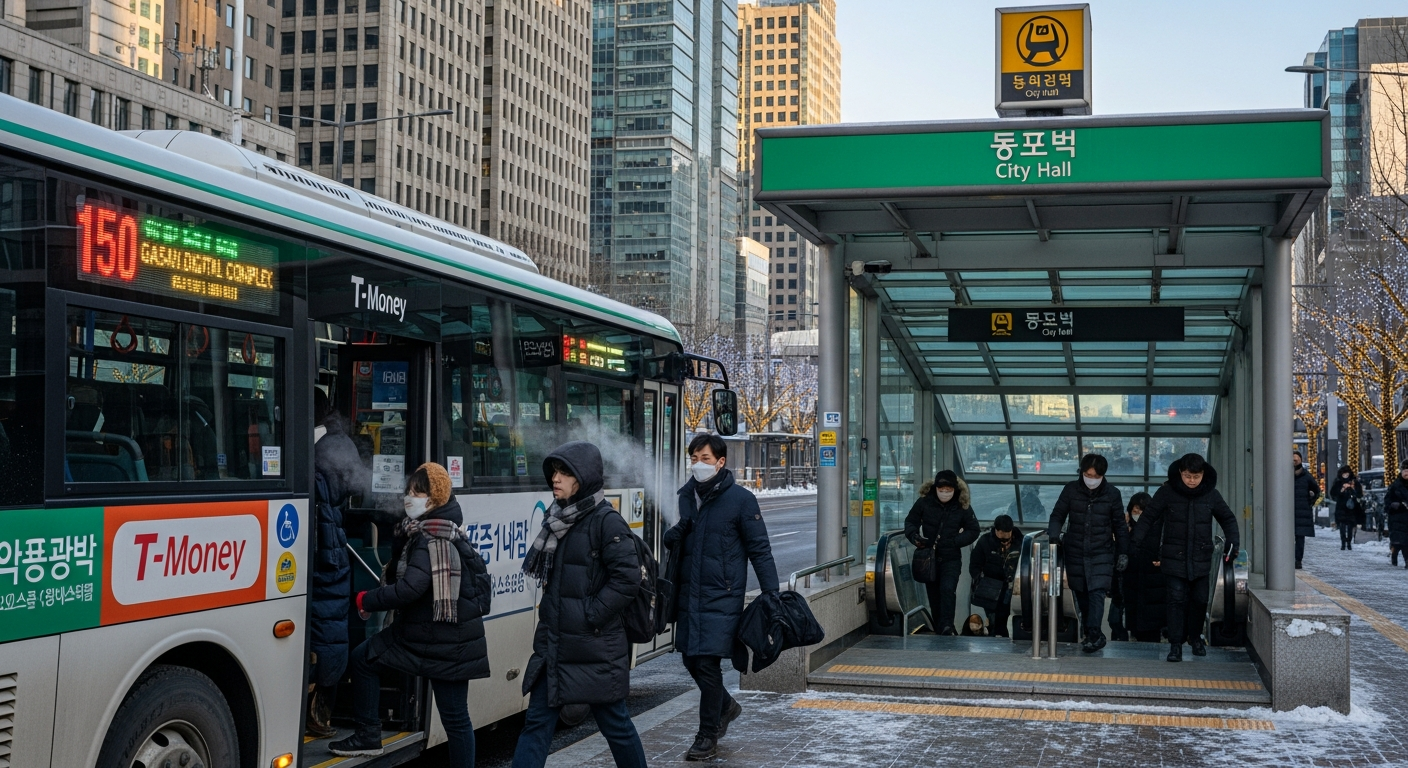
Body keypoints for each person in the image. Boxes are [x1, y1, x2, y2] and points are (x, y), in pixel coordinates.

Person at [330, 463, 491, 764]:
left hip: (437, 638)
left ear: (435, 498)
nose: (409, 498)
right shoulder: (442, 530)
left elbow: (409, 589)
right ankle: (368, 734)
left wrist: (366, 599)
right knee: (457, 719)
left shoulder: (431, 538)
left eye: (418, 492)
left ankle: (368, 735)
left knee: (365, 660)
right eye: (408, 491)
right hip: (440, 636)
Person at [511, 442, 647, 768]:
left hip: (594, 646)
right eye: (554, 472)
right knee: (536, 725)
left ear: (583, 478)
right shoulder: (558, 520)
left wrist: (590, 614)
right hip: (555, 647)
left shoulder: (606, 522)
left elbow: (628, 579)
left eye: (565, 473)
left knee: (615, 726)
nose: (555, 479)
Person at [663, 434, 778, 762]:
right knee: (689, 658)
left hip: (721, 595)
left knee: (706, 662)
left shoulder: (741, 500)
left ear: (721, 462)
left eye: (704, 458)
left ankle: (707, 735)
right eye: (694, 457)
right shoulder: (687, 496)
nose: (697, 464)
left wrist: (772, 594)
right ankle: (726, 705)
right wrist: (674, 535)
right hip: (689, 593)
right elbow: (682, 538)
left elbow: (760, 549)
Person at [1125, 454, 1239, 662]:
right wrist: (1135, 543)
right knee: (1175, 600)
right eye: (1188, 476)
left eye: (1196, 476)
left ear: (1203, 474)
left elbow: (1228, 518)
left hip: (1201, 558)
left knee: (1199, 600)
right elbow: (1148, 517)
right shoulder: (1167, 492)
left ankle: (1195, 638)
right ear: (1180, 473)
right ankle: (1175, 644)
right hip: (1173, 557)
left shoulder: (1211, 495)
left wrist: (1233, 543)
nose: (1192, 481)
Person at [307, 388, 357, 739]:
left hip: (326, 552)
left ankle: (320, 712)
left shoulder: (326, 450)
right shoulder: (335, 443)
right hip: (330, 549)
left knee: (326, 631)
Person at [1048, 454, 1127, 653]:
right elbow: (1058, 515)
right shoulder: (1071, 490)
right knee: (1082, 593)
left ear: (1102, 475)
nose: (1090, 478)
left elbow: (1120, 526)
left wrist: (1123, 552)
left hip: (1102, 551)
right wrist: (1054, 536)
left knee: (1097, 593)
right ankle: (1090, 632)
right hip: (1074, 550)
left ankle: (1094, 633)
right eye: (1087, 474)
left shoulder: (1112, 494)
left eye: (1095, 475)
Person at [904, 470, 980, 636]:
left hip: (951, 557)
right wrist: (914, 536)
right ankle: (940, 627)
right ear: (935, 487)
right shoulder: (924, 502)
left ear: (955, 489)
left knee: (947, 589)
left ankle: (946, 626)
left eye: (948, 490)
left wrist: (955, 542)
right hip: (928, 558)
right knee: (934, 594)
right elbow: (911, 521)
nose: (945, 493)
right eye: (941, 489)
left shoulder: (962, 504)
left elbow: (973, 529)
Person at [1120, 492, 1165, 643]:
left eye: (1142, 510)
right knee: (1135, 623)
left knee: (1152, 625)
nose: (1138, 514)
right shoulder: (1127, 528)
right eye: (1135, 510)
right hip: (1133, 580)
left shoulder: (1159, 527)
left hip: (1153, 579)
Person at [968, 514, 1022, 638]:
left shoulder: (1021, 541)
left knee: (1005, 617)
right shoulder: (985, 542)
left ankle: (1002, 638)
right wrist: (980, 581)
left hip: (1011, 586)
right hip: (990, 587)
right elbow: (975, 564)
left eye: (1008, 539)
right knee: (993, 618)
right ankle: (996, 638)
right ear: (996, 530)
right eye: (1002, 540)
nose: (1006, 542)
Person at [1293, 450, 1320, 569]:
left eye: (1296, 460)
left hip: (1302, 512)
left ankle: (1298, 560)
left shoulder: (1307, 477)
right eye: (1292, 460)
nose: (1294, 462)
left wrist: (1310, 502)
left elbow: (1317, 492)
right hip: (1288, 512)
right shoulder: (1284, 476)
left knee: (1300, 538)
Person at [1329, 466, 1364, 551]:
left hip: (1352, 508)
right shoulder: (1338, 482)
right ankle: (1343, 543)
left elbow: (1359, 494)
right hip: (1341, 507)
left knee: (1350, 526)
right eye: (1344, 474)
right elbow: (1333, 493)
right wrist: (1342, 489)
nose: (1345, 475)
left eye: (1347, 473)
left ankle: (1349, 542)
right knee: (1342, 526)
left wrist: (1352, 489)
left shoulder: (1354, 482)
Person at [1386, 460, 1408, 568]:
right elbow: (1388, 501)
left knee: (1406, 543)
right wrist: (1394, 505)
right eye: (1405, 470)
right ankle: (1394, 556)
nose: (1406, 473)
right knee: (1398, 541)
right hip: (1397, 517)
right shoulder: (1395, 485)